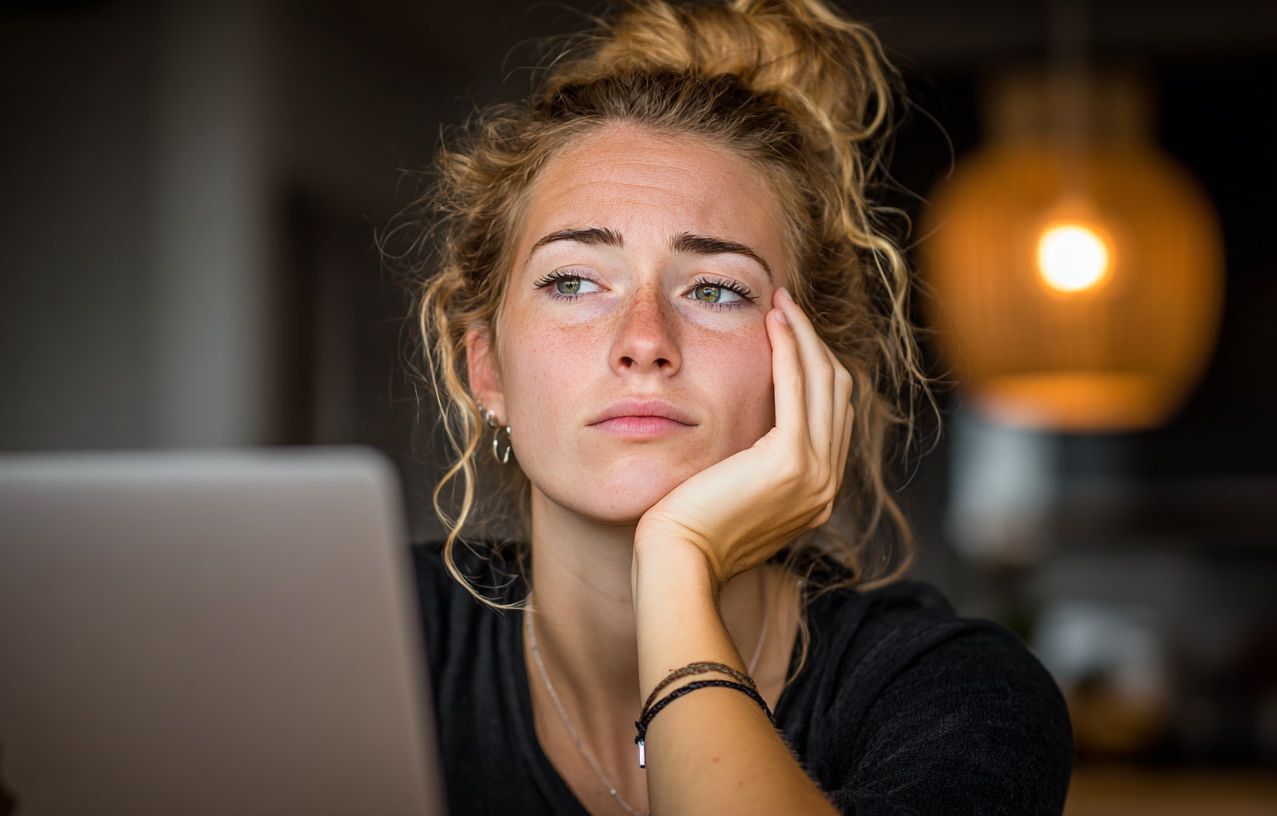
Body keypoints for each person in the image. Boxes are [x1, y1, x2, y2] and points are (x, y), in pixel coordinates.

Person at [407, 1, 1072, 813]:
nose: (643, 340)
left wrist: (678, 561)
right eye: (573, 281)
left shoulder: (956, 694)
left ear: (809, 370)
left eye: (716, 290)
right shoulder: (371, 630)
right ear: (486, 369)